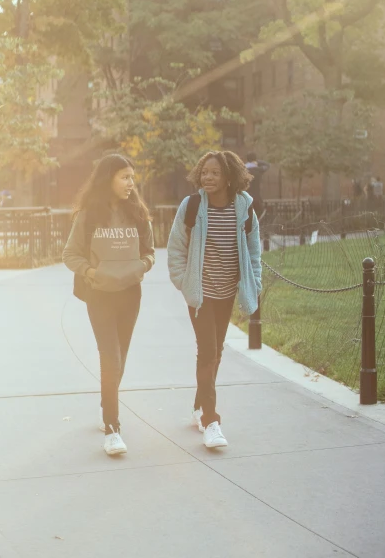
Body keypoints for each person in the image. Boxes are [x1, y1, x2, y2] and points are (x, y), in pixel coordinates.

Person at [167, 150, 262, 449]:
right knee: (208, 351)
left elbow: (254, 251)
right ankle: (211, 421)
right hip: (200, 293)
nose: (207, 177)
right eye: (204, 172)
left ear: (229, 177)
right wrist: (184, 283)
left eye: (214, 173)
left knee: (215, 352)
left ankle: (199, 407)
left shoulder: (244, 208)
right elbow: (176, 247)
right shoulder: (192, 206)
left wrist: (254, 283)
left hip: (227, 292)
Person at [63, 154, 155, 456]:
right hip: (100, 295)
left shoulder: (138, 213)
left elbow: (150, 253)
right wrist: (92, 273)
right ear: (108, 179)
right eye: (124, 177)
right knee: (110, 357)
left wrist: (141, 266)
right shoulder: (89, 216)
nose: (131, 183)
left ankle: (107, 400)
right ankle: (112, 427)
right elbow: (70, 255)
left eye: (132, 177)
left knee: (121, 358)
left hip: (130, 294)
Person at [244, 151, 270, 218]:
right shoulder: (258, 170)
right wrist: (257, 161)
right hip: (256, 198)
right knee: (260, 215)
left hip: (245, 198)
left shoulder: (243, 170)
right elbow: (267, 165)